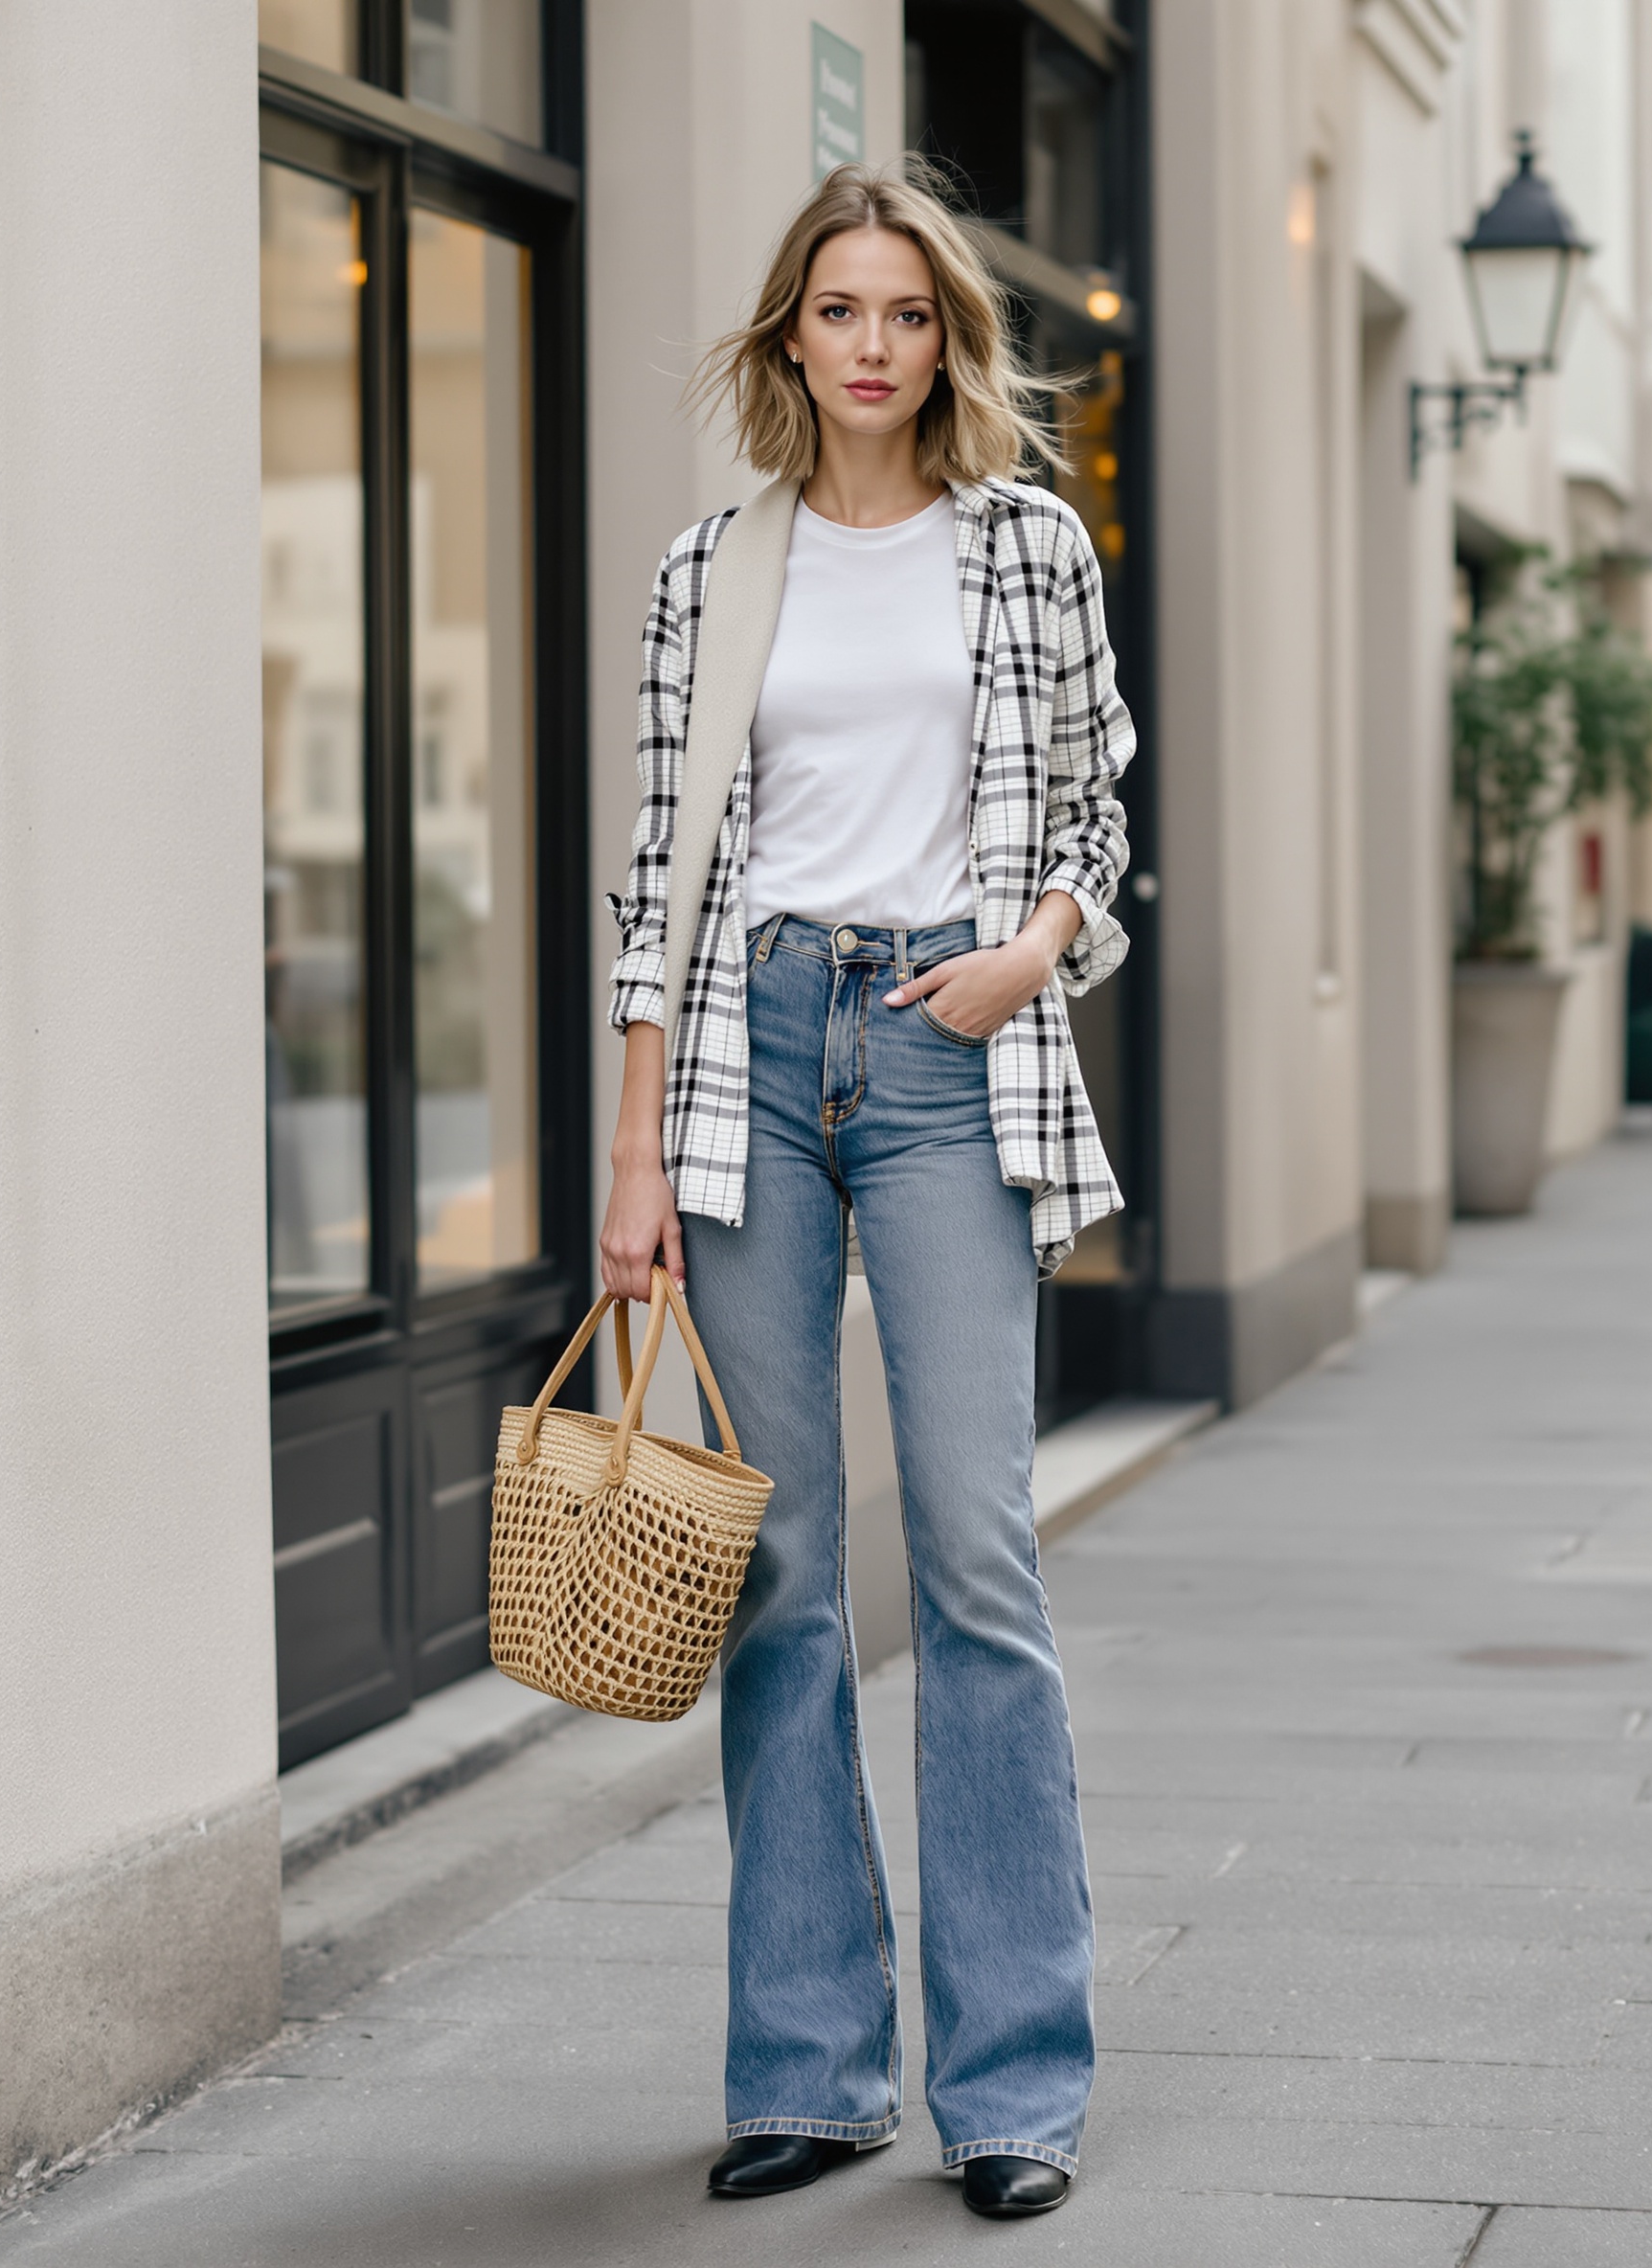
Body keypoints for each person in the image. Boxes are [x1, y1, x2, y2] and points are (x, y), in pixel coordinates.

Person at [600, 161, 1134, 2221]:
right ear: (787, 335)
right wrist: (634, 1153)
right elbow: (659, 878)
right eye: (841, 311)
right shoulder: (710, 568)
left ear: (947, 341)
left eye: (909, 315)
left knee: (981, 1561)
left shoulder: (1026, 548)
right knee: (781, 1568)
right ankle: (810, 2067)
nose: (875, 347)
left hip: (942, 1048)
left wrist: (1029, 950)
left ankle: (1011, 2084)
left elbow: (1092, 789)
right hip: (748, 1049)